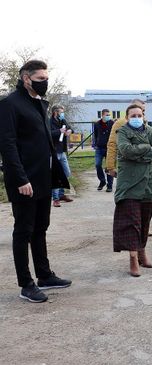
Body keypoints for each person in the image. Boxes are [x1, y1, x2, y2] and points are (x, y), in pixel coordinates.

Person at [0, 60, 72, 303]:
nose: (45, 82)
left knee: (40, 228)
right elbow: (7, 145)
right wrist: (20, 178)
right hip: (24, 180)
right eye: (40, 78)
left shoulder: (39, 104)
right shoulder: (10, 104)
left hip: (42, 178)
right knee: (23, 231)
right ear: (26, 78)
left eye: (46, 78)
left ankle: (44, 275)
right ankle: (26, 284)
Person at [113, 104, 152, 277]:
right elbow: (126, 151)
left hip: (149, 183)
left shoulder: (149, 130)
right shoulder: (123, 132)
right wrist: (146, 148)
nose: (136, 118)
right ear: (127, 118)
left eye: (139, 115)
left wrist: (139, 153)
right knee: (132, 222)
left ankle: (142, 252)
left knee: (145, 221)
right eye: (133, 115)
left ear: (144, 116)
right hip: (130, 185)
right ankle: (133, 258)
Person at [105, 99, 146, 178]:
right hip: (126, 164)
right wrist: (110, 167)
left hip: (143, 165)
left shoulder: (145, 124)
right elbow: (112, 144)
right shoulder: (120, 124)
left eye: (143, 110)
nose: (142, 112)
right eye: (139, 108)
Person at [50, 105, 74, 207]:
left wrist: (69, 131)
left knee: (66, 173)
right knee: (55, 175)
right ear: (56, 112)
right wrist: (59, 131)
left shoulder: (63, 120)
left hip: (62, 151)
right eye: (61, 112)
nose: (63, 114)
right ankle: (55, 199)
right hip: (54, 152)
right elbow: (48, 134)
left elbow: (69, 128)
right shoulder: (49, 122)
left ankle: (61, 194)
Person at [92, 109, 114, 192]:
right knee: (97, 164)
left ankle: (110, 185)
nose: (108, 116)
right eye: (106, 115)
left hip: (109, 148)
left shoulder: (112, 123)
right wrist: (96, 143)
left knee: (109, 166)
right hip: (99, 148)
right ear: (102, 115)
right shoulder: (97, 124)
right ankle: (102, 181)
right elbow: (96, 134)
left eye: (109, 114)